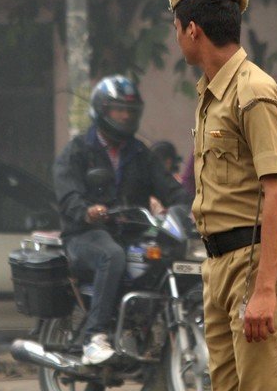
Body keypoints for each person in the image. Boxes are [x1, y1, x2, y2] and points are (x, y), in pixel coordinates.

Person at [166, 0, 277, 390]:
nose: (177, 38)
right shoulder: (210, 93)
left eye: (176, 29)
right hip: (219, 265)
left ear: (193, 30)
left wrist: (265, 290)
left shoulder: (254, 92)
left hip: (255, 261)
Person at [53, 75, 190, 365]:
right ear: (101, 110)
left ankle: (144, 330)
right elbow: (67, 196)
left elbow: (171, 189)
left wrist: (193, 206)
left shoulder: (141, 153)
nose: (125, 116)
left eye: (130, 110)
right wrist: (86, 211)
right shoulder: (77, 151)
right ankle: (94, 337)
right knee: (111, 254)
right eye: (118, 110)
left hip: (130, 233)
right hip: (84, 236)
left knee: (163, 255)